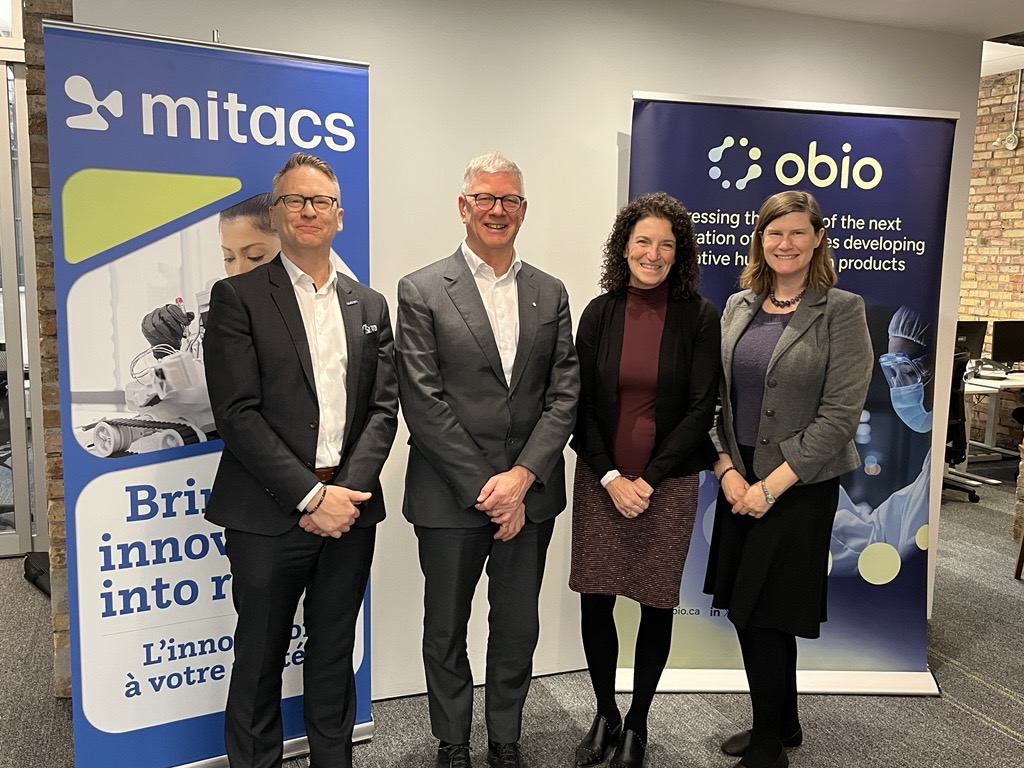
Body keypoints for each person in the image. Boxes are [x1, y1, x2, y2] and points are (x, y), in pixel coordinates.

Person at [203, 152, 399, 768]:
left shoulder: (369, 306)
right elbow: (238, 413)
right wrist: (310, 497)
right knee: (259, 658)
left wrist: (345, 494)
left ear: (339, 215)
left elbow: (383, 410)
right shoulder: (236, 298)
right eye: (295, 200)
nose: (309, 210)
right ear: (276, 212)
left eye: (321, 201)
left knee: (334, 655)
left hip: (350, 513)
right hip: (267, 514)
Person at [395, 152, 580, 768]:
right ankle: (453, 741)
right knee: (445, 627)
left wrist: (522, 479)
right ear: (463, 205)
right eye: (485, 198)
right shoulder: (422, 288)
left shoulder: (550, 292)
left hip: (529, 497)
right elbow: (422, 400)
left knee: (515, 628)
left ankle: (506, 738)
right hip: (450, 495)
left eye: (510, 200)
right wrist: (489, 489)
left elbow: (564, 394)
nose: (497, 210)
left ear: (523, 209)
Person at [704, 190, 872, 768]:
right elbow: (715, 401)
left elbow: (840, 416)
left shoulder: (842, 310)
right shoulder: (737, 306)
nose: (785, 243)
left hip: (799, 486)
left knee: (764, 611)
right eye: (775, 233)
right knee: (757, 607)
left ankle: (769, 742)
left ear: (817, 238)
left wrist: (770, 486)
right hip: (739, 476)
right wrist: (726, 469)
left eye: (797, 233)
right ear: (760, 239)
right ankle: (786, 721)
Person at [569, 192, 720, 768]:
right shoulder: (599, 312)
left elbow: (700, 409)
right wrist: (611, 475)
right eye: (642, 241)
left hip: (671, 485)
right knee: (596, 601)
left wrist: (648, 480)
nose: (652, 253)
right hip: (600, 480)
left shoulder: (699, 317)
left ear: (678, 253)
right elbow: (578, 407)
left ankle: (638, 722)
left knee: (656, 606)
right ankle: (605, 712)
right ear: (623, 246)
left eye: (665, 244)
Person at [831, 305, 933, 576]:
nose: (900, 386)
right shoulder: (929, 464)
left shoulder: (932, 465)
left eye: (907, 370)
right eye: (892, 372)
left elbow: (896, 554)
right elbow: (882, 527)